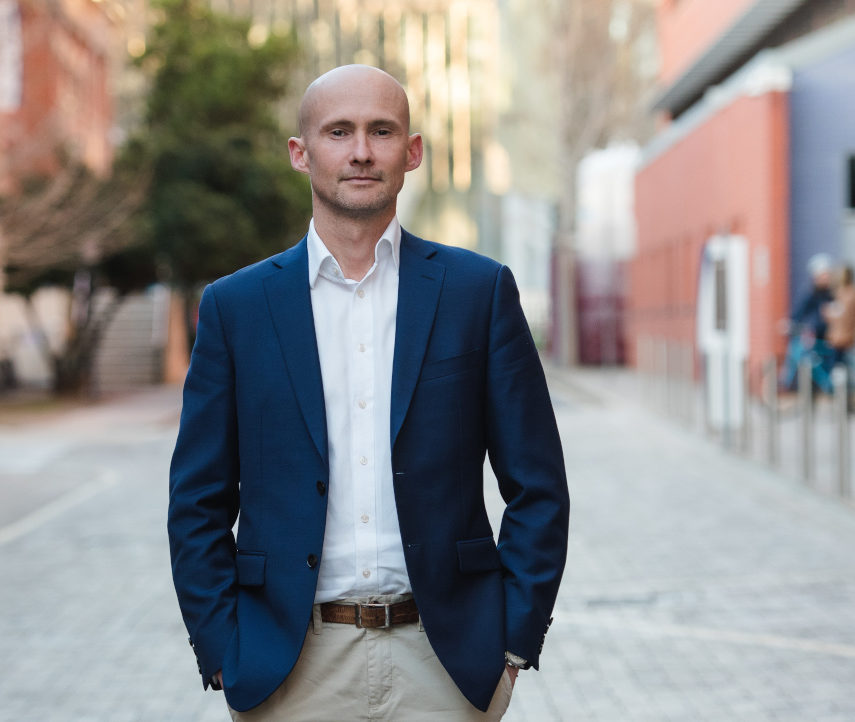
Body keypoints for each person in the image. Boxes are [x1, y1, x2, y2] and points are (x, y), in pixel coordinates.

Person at [168, 65, 569, 721]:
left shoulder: (477, 293)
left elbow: (538, 485)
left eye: (381, 131)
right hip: (288, 667)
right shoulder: (235, 308)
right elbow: (197, 499)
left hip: (444, 665)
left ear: (411, 152)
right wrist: (221, 649)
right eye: (338, 132)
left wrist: (512, 642)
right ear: (300, 153)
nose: (360, 151)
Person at [780, 253, 835, 393]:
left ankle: (829, 385)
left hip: (828, 335)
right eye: (823, 275)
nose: (825, 278)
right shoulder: (811, 294)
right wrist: (791, 323)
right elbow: (799, 312)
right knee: (801, 351)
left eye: (827, 274)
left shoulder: (832, 294)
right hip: (815, 334)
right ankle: (789, 382)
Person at [824, 264, 855, 380]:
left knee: (837, 366)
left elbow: (842, 315)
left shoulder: (846, 294)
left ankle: (838, 388)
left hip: (841, 336)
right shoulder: (846, 293)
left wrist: (828, 312)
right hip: (843, 335)